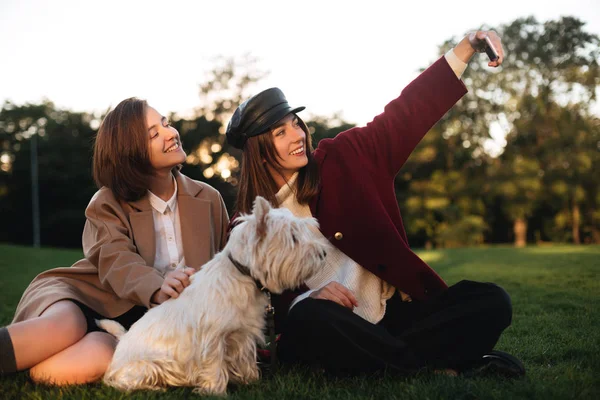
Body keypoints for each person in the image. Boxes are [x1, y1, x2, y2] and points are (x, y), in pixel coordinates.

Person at [224, 30, 525, 377]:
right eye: (281, 133)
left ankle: (406, 366)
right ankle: (441, 366)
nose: (298, 136)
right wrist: (310, 298)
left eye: (295, 124)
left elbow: (406, 115)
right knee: (310, 316)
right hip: (336, 329)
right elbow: (262, 306)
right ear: (259, 153)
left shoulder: (345, 157)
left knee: (490, 301)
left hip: (395, 318)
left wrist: (467, 48)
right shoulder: (248, 223)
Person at [0, 98, 229, 384]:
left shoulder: (208, 199)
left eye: (165, 123)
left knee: (99, 358)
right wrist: (157, 286)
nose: (170, 133)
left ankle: (29, 364)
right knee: (67, 325)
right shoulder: (106, 202)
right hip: (85, 294)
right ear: (130, 153)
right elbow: (115, 259)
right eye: (153, 134)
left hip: (138, 323)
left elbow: (224, 267)